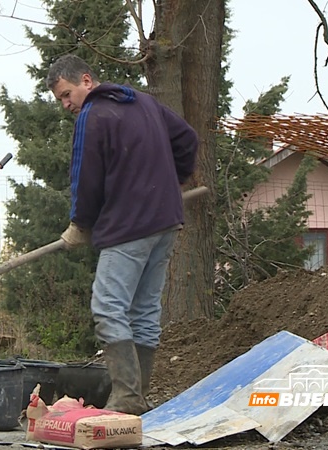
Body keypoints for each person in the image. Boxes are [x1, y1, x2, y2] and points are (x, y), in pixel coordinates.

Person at [46, 54, 198, 415]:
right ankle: (138, 399)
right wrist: (173, 182)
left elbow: (86, 177)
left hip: (128, 226)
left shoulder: (93, 115)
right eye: (60, 100)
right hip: (165, 221)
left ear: (86, 80)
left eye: (67, 94)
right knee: (144, 310)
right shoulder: (143, 101)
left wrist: (80, 224)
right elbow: (187, 138)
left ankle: (128, 398)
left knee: (108, 306)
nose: (66, 105)